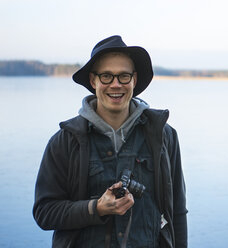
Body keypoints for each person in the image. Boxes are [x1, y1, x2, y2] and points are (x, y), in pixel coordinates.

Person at [33, 35, 188, 248]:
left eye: (123, 76)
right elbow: (44, 213)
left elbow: (177, 211)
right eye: (106, 76)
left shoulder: (164, 136)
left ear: (134, 79)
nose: (116, 85)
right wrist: (96, 208)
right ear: (93, 80)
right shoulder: (65, 141)